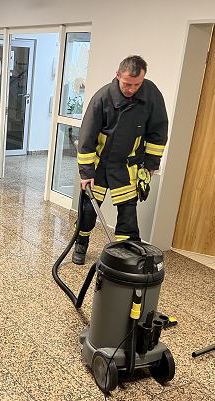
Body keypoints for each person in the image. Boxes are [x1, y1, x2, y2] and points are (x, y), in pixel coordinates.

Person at [73, 55, 168, 264]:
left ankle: (126, 254)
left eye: (137, 84)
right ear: (117, 75)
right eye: (127, 84)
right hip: (100, 166)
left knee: (128, 215)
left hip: (128, 166)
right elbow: (87, 137)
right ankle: (81, 242)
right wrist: (86, 172)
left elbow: (158, 131)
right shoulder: (102, 98)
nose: (132, 89)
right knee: (88, 210)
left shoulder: (151, 95)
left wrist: (151, 164)